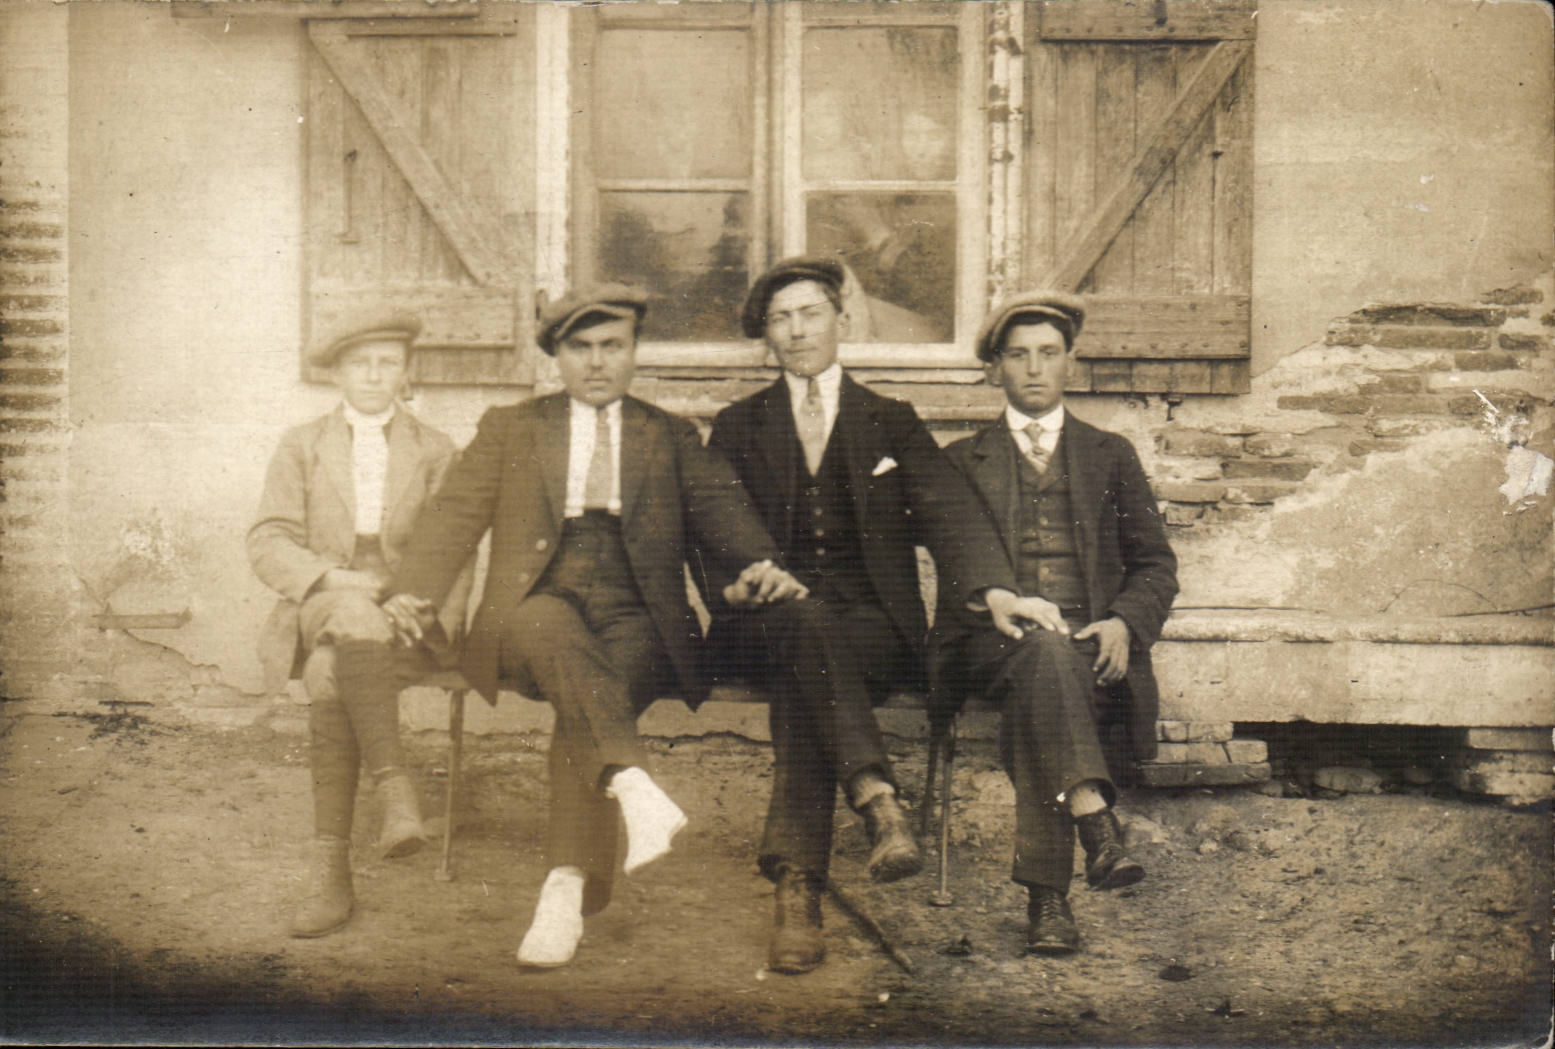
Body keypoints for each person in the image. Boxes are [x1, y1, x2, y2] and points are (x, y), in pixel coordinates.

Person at [369, 284, 807, 969]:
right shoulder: (511, 425)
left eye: (613, 346)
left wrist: (760, 563)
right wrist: (412, 592)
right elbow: (452, 516)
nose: (597, 362)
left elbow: (725, 514)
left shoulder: (667, 435)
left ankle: (565, 885)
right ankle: (628, 785)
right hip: (534, 601)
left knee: (590, 702)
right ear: (556, 357)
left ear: (633, 353)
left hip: (637, 612)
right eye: (581, 348)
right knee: (550, 632)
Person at [704, 256, 1052, 975]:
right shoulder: (738, 426)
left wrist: (992, 588)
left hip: (870, 627)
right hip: (762, 623)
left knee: (813, 663)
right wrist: (732, 587)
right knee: (802, 624)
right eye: (780, 318)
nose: (796, 331)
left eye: (809, 314)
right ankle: (876, 800)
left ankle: (797, 891)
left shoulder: (889, 421)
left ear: (841, 320)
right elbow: (708, 524)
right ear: (764, 335)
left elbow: (949, 512)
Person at [929, 292, 1179, 956]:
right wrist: (994, 596)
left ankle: (1050, 903)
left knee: (1047, 681)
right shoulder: (959, 460)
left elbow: (1155, 564)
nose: (1034, 368)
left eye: (1048, 353)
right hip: (991, 644)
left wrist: (1125, 621)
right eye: (1017, 356)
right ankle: (1095, 824)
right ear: (993, 371)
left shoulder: (1110, 455)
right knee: (1042, 657)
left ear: (1070, 362)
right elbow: (953, 568)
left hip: (1090, 646)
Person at [247, 313, 469, 939]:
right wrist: (346, 583)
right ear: (339, 373)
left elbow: (451, 544)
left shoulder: (434, 449)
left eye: (388, 362)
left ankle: (331, 872)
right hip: (327, 593)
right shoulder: (302, 444)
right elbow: (269, 541)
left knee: (327, 672)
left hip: (407, 611)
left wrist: (412, 597)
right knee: (347, 614)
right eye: (361, 363)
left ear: (406, 372)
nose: (375, 375)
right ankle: (395, 791)